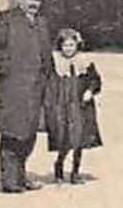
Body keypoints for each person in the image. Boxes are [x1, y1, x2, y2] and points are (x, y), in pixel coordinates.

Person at [0, 0, 54, 192]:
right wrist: (10, 71)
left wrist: (50, 78)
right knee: (12, 133)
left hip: (36, 88)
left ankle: (21, 176)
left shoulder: (41, 23)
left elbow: (47, 54)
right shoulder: (6, 19)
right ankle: (10, 181)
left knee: (29, 133)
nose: (35, 3)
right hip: (13, 88)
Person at [43, 28, 102, 184]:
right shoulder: (55, 62)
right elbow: (48, 82)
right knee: (65, 138)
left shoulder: (84, 61)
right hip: (62, 105)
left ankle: (75, 171)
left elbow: (95, 80)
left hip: (80, 104)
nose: (68, 48)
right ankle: (59, 166)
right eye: (65, 45)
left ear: (77, 45)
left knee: (79, 139)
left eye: (71, 45)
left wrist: (90, 91)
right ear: (60, 46)